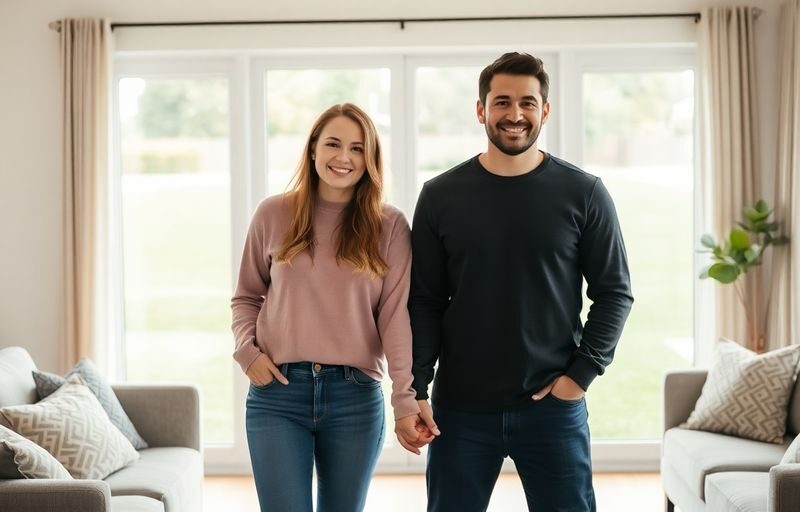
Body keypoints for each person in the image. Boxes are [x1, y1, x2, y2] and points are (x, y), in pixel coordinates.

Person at [409, 52, 634, 512]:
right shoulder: (439, 196)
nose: (515, 115)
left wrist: (579, 377)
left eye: (527, 103)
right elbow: (425, 301)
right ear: (480, 110)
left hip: (552, 407)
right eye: (502, 102)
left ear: (545, 110)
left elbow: (614, 292)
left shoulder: (584, 193)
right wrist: (415, 389)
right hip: (462, 410)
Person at [231, 103, 428, 512]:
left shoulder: (389, 225)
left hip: (353, 397)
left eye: (357, 149)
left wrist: (405, 400)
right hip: (278, 395)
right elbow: (247, 296)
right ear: (313, 150)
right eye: (333, 144)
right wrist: (246, 352)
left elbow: (394, 318)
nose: (343, 157)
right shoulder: (273, 213)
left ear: (370, 159)